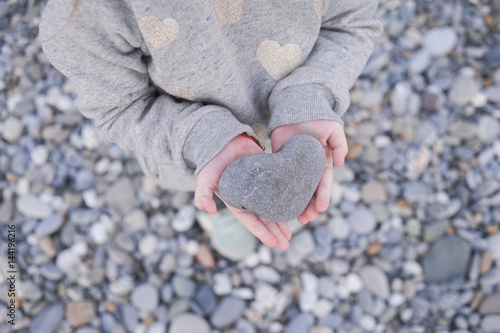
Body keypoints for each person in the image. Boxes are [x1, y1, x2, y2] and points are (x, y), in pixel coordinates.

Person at [39, 0, 383, 252]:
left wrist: (308, 96)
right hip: (196, 155)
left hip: (301, 120)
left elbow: (354, 20)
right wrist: (205, 139)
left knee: (272, 193)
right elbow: (121, 106)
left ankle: (272, 197)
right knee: (216, 195)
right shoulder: (86, 13)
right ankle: (221, 212)